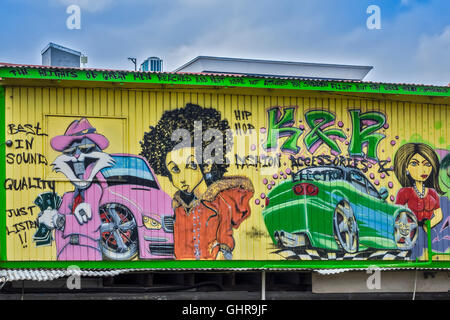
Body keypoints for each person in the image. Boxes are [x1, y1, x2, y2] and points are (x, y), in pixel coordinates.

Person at [141, 103, 254, 260]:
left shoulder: (219, 202)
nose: (182, 177)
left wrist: (223, 251)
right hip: (181, 265)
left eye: (191, 165)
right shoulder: (177, 207)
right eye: (174, 169)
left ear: (206, 164)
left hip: (210, 264)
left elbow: (225, 235)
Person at [394, 143, 444, 259]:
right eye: (415, 164)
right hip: (411, 232)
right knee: (413, 256)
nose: (423, 169)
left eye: (427, 164)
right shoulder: (404, 192)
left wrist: (429, 224)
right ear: (405, 167)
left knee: (428, 255)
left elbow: (439, 214)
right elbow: (397, 212)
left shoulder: (432, 193)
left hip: (428, 232)